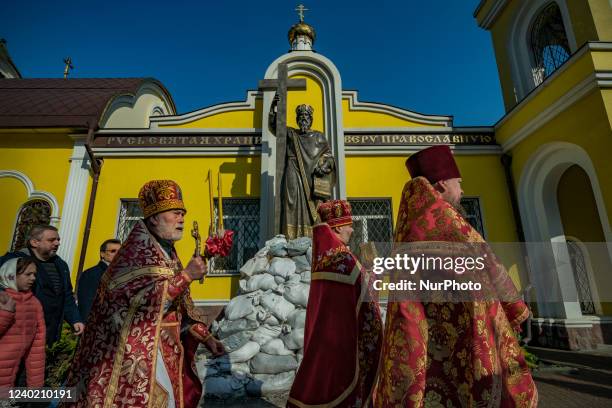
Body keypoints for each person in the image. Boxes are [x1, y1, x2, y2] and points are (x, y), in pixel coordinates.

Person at [375, 146, 537, 407]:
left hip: (425, 342)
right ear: (441, 184)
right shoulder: (449, 223)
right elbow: (490, 266)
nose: (461, 190)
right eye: (458, 183)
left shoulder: (410, 226)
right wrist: (516, 308)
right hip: (467, 338)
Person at [63, 180, 225, 408]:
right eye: (175, 213)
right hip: (135, 357)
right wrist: (186, 276)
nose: (182, 219)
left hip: (166, 352)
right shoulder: (134, 257)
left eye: (183, 214)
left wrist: (206, 337)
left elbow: (181, 307)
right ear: (154, 218)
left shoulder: (168, 253)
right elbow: (136, 304)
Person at [288, 200, 383, 408]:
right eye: (349, 224)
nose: (352, 228)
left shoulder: (326, 256)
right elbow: (364, 289)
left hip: (327, 336)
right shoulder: (341, 257)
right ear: (339, 227)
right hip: (343, 340)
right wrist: (376, 271)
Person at [0, 225, 84, 346]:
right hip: (16, 332)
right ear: (34, 242)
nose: (57, 243)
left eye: (58, 240)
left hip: (46, 332)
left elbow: (66, 295)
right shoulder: (14, 262)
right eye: (51, 240)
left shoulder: (60, 265)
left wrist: (75, 319)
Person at [270, 100, 336, 238]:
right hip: (293, 169)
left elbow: (329, 157)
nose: (303, 120)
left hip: (312, 177)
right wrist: (273, 108)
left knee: (313, 207)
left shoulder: (319, 137)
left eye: (306, 118)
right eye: (301, 118)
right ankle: (291, 235)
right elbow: (276, 127)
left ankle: (312, 235)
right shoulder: (292, 134)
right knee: (291, 199)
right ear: (297, 120)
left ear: (310, 120)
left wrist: (324, 166)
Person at [0, 257, 45, 389]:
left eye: (34, 274)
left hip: (9, 379)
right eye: (27, 274)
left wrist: (36, 387)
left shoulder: (35, 304)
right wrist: (6, 312)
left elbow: (37, 348)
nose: (33, 278)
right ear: (11, 275)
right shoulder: (2, 298)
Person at [76, 238, 121, 321]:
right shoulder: (90, 274)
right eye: (113, 251)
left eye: (120, 251)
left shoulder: (123, 272)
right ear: (102, 254)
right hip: (97, 324)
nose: (117, 254)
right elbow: (86, 303)